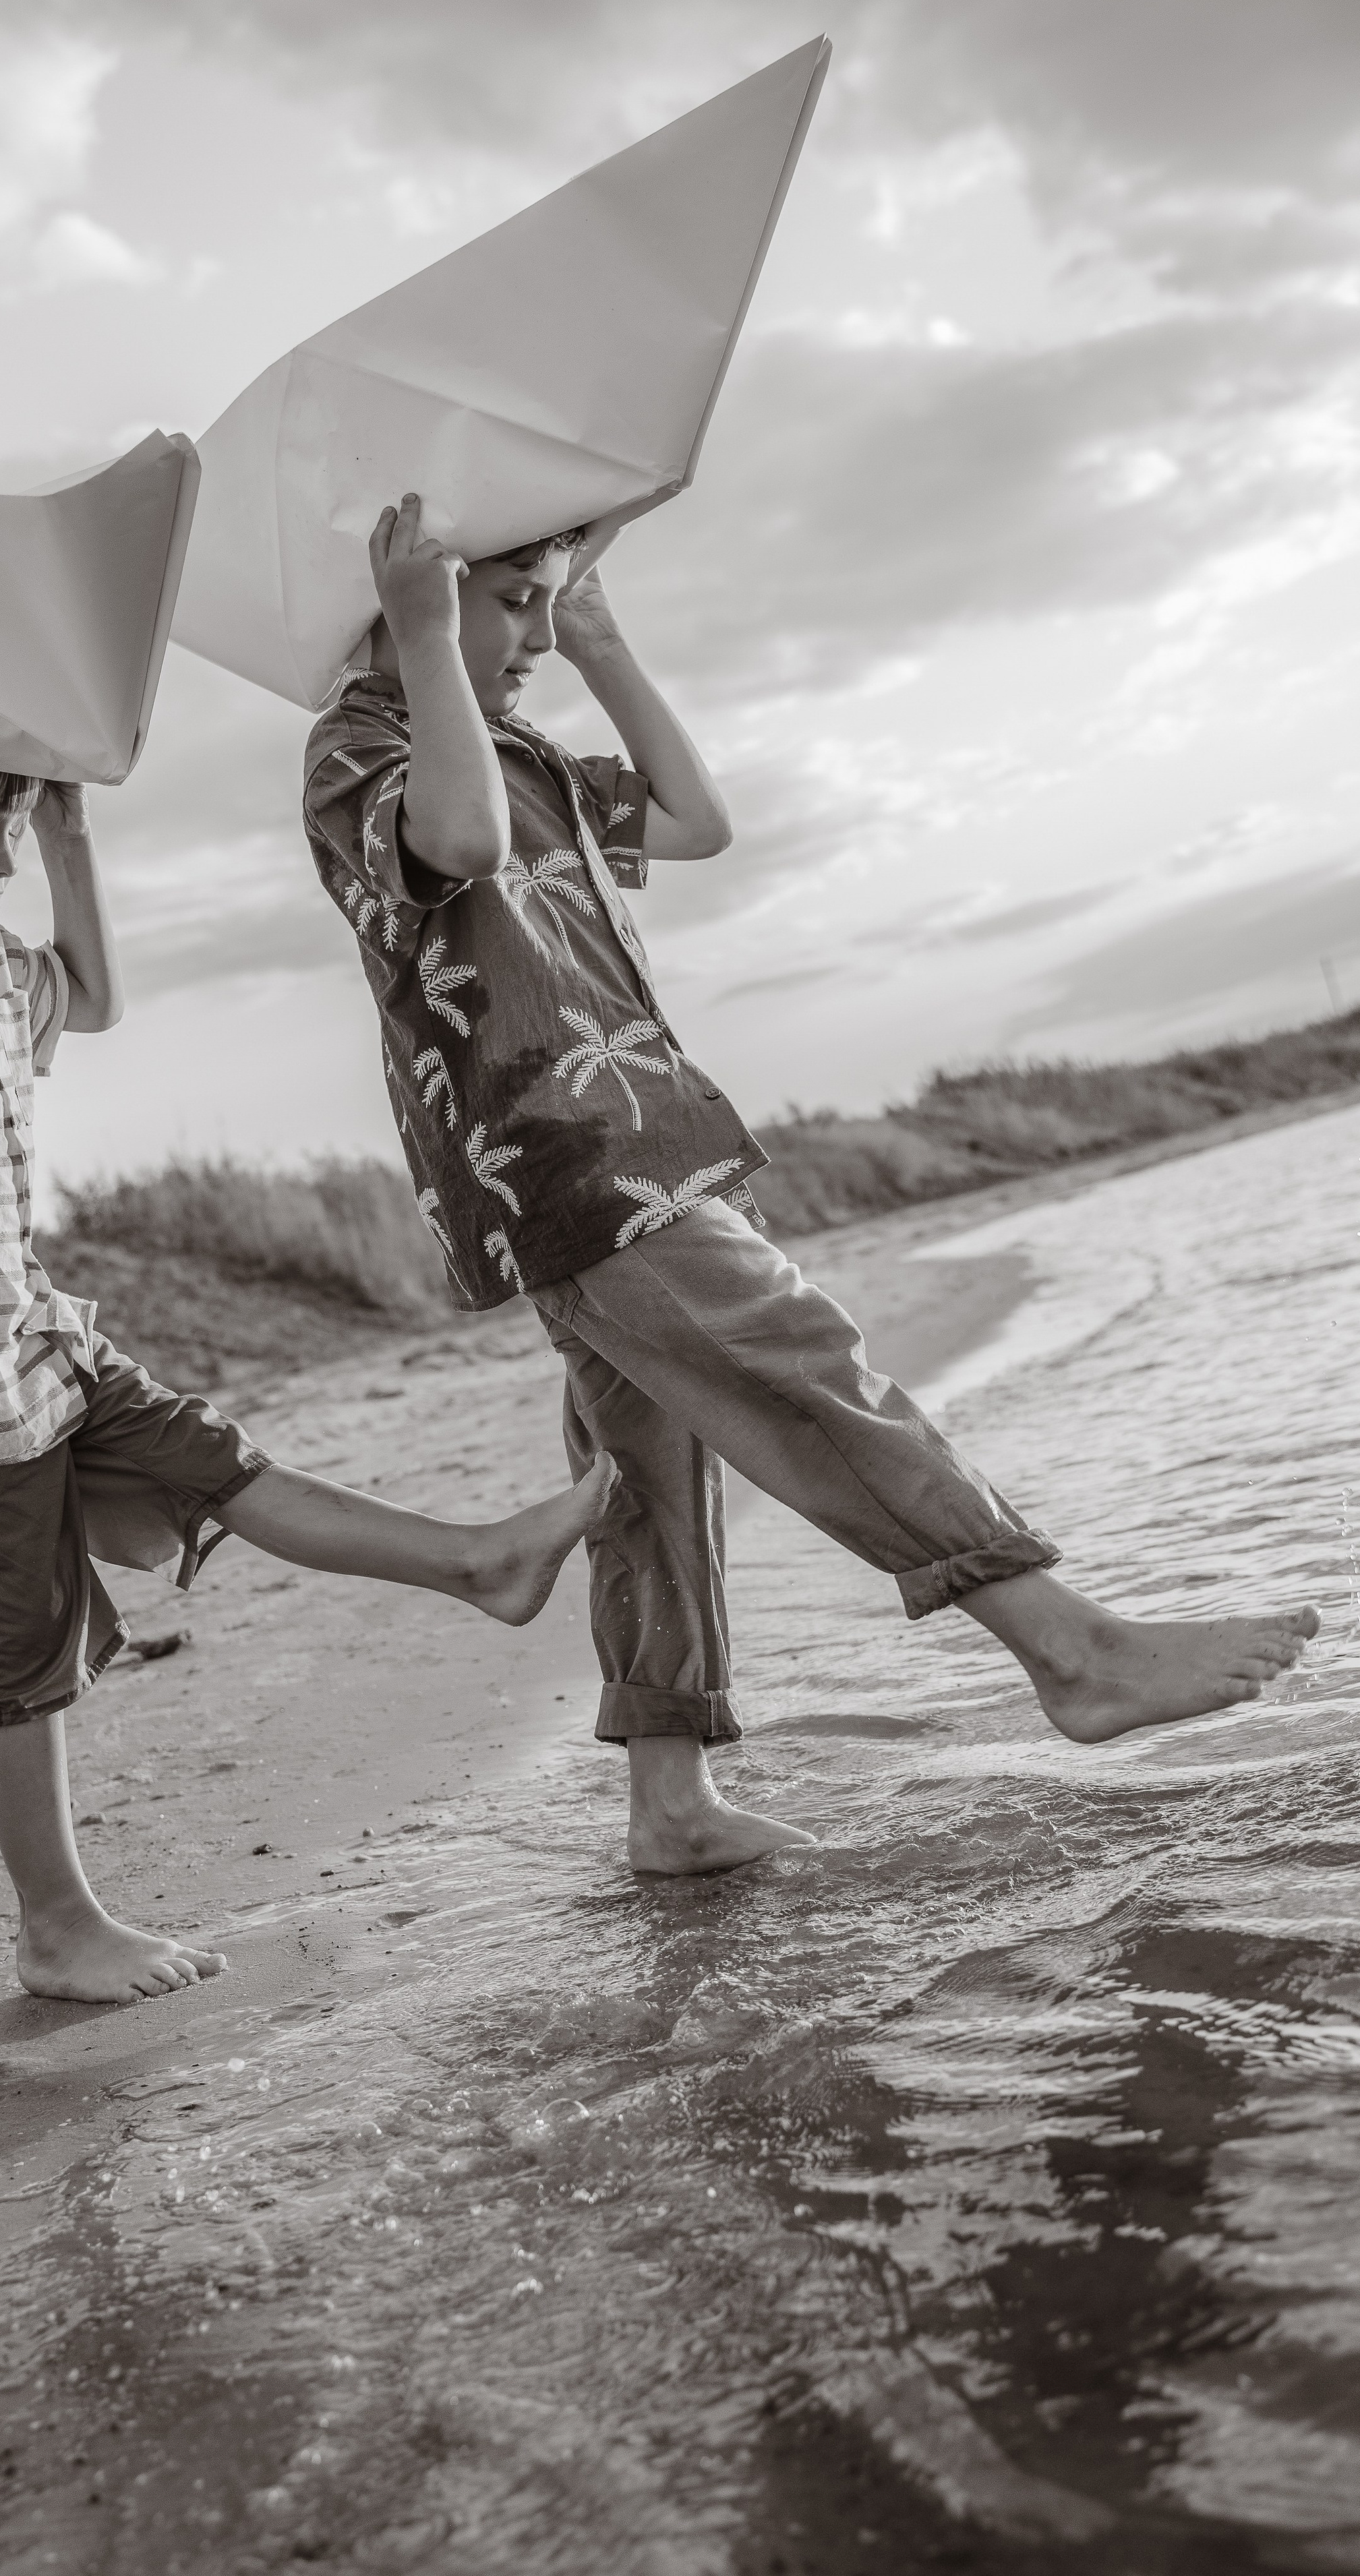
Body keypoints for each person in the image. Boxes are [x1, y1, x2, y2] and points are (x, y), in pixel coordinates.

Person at [301, 494, 1319, 1875]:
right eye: (515, 600)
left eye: (547, 600)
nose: (535, 625)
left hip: (642, 1137)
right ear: (408, 602)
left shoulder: (522, 739)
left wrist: (595, 639)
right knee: (801, 1363)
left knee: (643, 1474)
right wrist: (426, 627)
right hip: (560, 1160)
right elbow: (463, 844)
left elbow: (693, 819)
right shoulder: (359, 747)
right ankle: (1067, 1651)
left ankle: (667, 1799)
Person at [0, 663, 617, 2003]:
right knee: (20, 1656)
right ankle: (56, 1926)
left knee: (225, 1464)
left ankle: (478, 1564)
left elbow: (88, 994)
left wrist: (66, 837)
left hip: (32, 1341)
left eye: (0, 830)